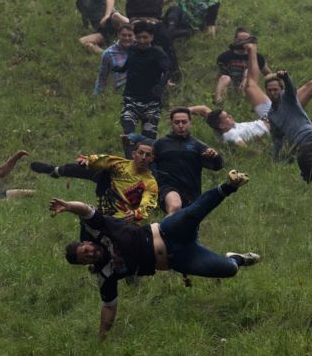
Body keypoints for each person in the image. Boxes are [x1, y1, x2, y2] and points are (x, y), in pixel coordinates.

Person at [50, 169, 259, 341]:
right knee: (229, 269)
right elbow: (108, 307)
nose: (90, 254)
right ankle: (236, 258)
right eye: (85, 258)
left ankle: (230, 185)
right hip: (179, 259)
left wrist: (68, 207)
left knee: (193, 214)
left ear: (87, 242)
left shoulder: (100, 229)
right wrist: (101, 337)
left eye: (86, 250)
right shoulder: (105, 274)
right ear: (85, 263)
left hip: (168, 231)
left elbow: (85, 210)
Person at [195, 42, 312, 147]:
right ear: (222, 126)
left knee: (251, 85)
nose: (230, 116)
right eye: (227, 117)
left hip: (267, 115)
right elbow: (245, 148)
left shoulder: (219, 124)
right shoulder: (229, 135)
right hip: (276, 118)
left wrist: (180, 112)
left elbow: (204, 110)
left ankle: (252, 49)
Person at [30, 140, 158, 223]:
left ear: (152, 158)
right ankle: (56, 171)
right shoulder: (120, 164)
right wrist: (88, 160)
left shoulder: (150, 182)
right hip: (106, 196)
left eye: (147, 155)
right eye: (141, 153)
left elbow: (148, 203)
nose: (143, 157)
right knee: (92, 166)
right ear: (134, 154)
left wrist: (137, 214)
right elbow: (104, 160)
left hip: (122, 218)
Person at [113, 22, 171, 155]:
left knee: (148, 141)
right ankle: (129, 162)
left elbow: (168, 70)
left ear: (151, 37)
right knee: (128, 134)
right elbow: (129, 63)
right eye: (138, 37)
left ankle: (146, 168)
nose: (141, 41)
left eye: (145, 37)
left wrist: (161, 85)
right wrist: (121, 69)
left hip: (151, 102)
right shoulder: (133, 50)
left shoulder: (158, 53)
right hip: (131, 98)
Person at [153, 107, 224, 213]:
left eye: (184, 122)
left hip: (191, 193)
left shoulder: (198, 146)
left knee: (189, 226)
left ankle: (163, 229)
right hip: (167, 188)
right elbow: (147, 164)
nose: (181, 125)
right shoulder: (160, 144)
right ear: (171, 124)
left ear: (190, 122)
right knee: (175, 206)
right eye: (177, 122)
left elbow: (217, 166)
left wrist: (214, 156)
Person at [65, 0, 130, 54]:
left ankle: (135, 28)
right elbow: (85, 17)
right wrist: (85, 28)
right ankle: (109, 53)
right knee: (82, 42)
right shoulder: (79, 4)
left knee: (116, 16)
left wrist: (107, 16)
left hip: (113, 21)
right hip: (103, 31)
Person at [214, 28, 272, 104]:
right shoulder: (225, 57)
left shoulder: (257, 57)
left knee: (247, 72)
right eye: (240, 40)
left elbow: (268, 74)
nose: (243, 44)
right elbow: (220, 77)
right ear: (235, 40)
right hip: (232, 86)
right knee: (225, 78)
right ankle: (219, 103)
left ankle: (243, 102)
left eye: (246, 41)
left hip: (249, 86)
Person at [94, 24, 135, 95]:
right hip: (123, 88)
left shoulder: (141, 49)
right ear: (118, 35)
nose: (127, 38)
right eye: (124, 35)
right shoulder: (109, 53)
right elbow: (102, 78)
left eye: (130, 35)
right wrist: (97, 96)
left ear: (134, 36)